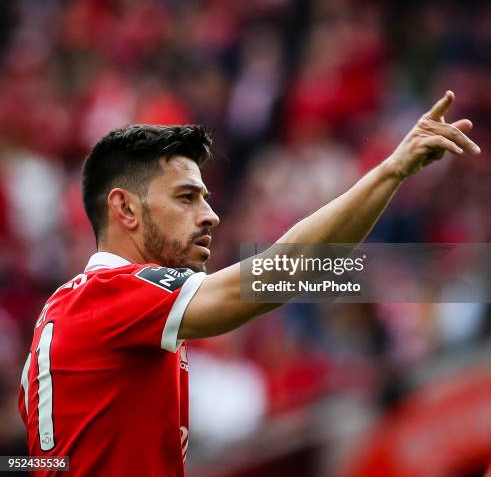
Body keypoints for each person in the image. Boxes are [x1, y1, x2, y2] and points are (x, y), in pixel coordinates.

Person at [18, 91, 480, 476]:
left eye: (207, 198)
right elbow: (273, 275)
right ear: (125, 209)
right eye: (186, 198)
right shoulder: (112, 295)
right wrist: (390, 170)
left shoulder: (72, 313)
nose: (210, 216)